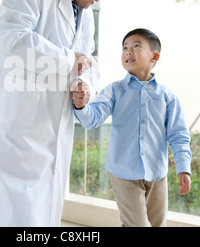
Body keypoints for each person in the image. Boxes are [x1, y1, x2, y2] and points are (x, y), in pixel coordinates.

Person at [0, 0, 122, 226]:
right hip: (22, 125)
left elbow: (86, 59)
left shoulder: (85, 13)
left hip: (56, 123)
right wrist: (69, 60)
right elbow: (12, 39)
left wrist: (84, 88)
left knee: (45, 209)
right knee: (19, 212)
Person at [73, 28, 192, 227]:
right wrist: (81, 105)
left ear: (154, 56)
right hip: (124, 173)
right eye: (125, 47)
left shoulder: (166, 95)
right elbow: (91, 120)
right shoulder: (114, 90)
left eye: (136, 46)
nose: (128, 51)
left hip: (157, 173)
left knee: (156, 224)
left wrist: (183, 168)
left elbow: (178, 134)